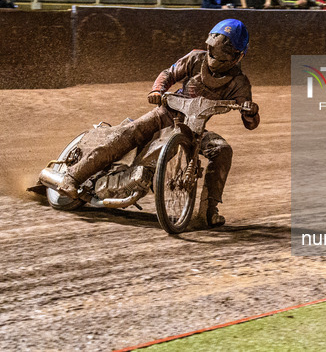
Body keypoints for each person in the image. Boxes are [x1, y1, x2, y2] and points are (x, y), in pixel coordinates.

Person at [54, 19, 260, 228]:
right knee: (129, 133)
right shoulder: (195, 58)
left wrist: (251, 111)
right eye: (215, 49)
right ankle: (73, 177)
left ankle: (209, 211)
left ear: (237, 56)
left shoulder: (239, 82)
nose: (217, 56)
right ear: (209, 44)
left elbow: (249, 120)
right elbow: (168, 74)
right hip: (166, 113)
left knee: (222, 150)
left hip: (195, 129)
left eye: (224, 52)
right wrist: (157, 90)